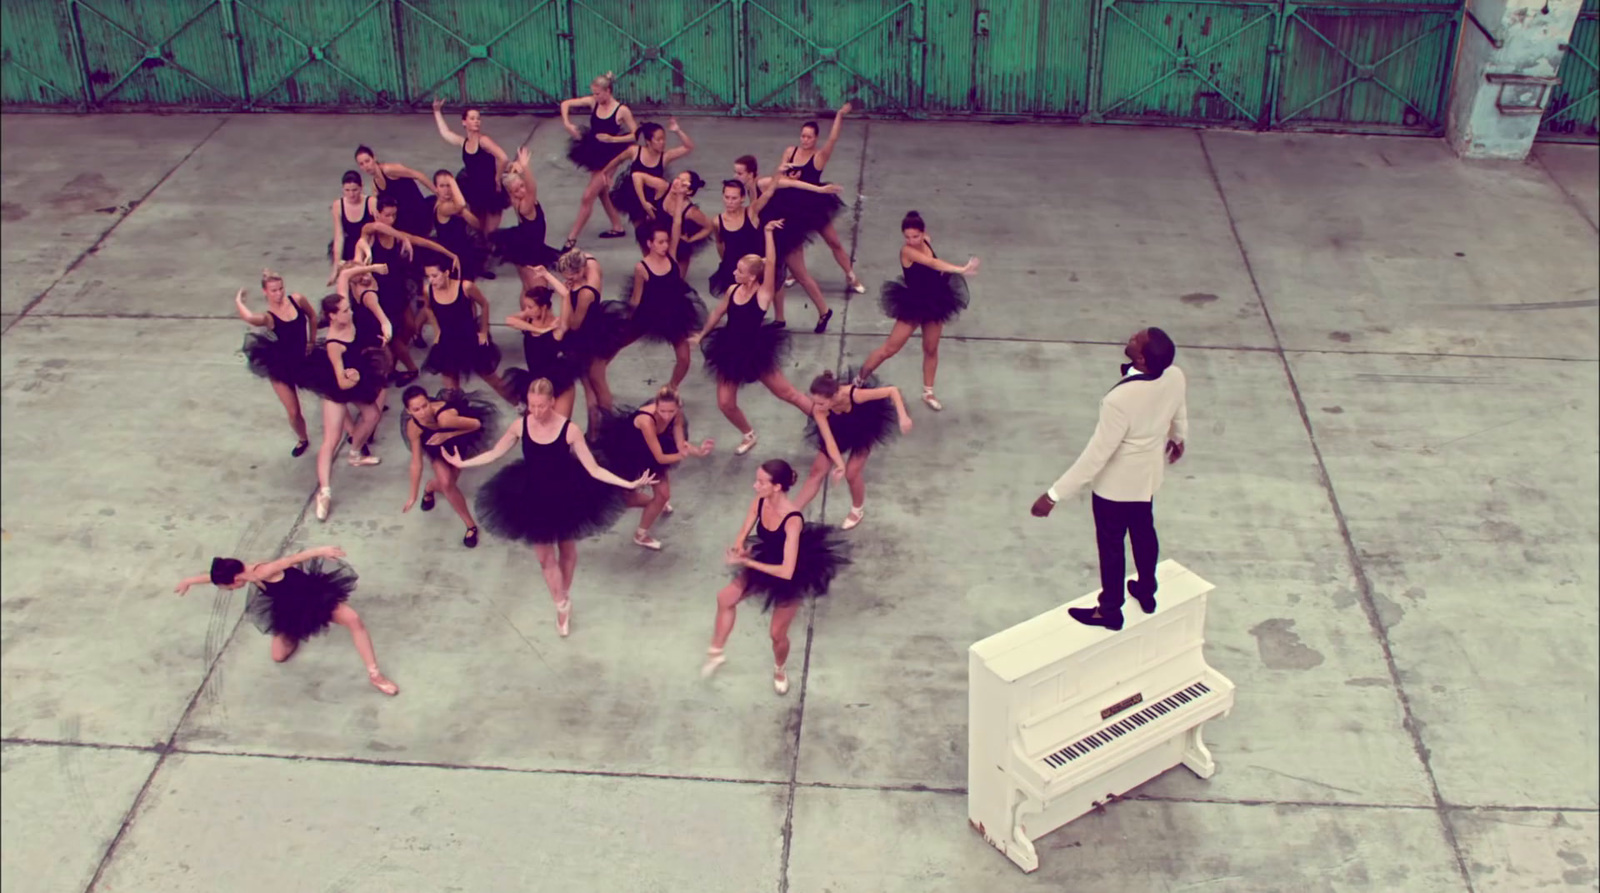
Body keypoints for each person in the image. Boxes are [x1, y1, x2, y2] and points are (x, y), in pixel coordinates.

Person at [443, 377, 655, 637]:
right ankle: (561, 603)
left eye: (541, 406)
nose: (536, 411)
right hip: (531, 494)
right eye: (532, 406)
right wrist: (463, 464)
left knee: (567, 550)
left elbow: (594, 468)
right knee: (545, 557)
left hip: (566, 493)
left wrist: (629, 482)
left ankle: (562, 594)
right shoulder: (520, 426)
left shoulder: (570, 430)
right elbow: (495, 453)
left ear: (552, 402)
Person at [1030, 328, 1188, 631]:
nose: (1130, 337)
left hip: (1114, 490)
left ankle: (1110, 610)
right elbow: (1178, 410)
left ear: (1141, 358)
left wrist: (1053, 495)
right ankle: (1146, 588)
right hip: (1147, 479)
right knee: (1144, 532)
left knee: (1112, 546)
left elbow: (1096, 456)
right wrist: (1179, 439)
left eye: (1135, 340)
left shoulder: (1119, 399)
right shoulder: (1175, 376)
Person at [700, 459, 850, 695]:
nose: (754, 485)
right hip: (765, 558)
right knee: (725, 598)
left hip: (792, 571)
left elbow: (786, 571)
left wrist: (747, 562)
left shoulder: (792, 520)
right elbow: (743, 533)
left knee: (777, 634)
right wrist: (739, 548)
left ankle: (779, 668)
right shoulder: (760, 501)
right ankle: (716, 653)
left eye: (760, 482)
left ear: (777, 486)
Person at [174, 546, 398, 696]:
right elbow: (212, 578)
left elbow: (293, 559)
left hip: (314, 598)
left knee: (354, 620)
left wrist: (323, 550)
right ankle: (295, 634)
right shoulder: (244, 573)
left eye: (226, 587)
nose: (227, 590)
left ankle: (375, 675)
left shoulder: (264, 571)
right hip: (291, 609)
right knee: (279, 656)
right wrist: (189, 581)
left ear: (234, 580)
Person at [690, 218, 812, 455]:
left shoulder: (763, 294)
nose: (735, 272)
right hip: (730, 350)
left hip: (755, 350)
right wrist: (701, 334)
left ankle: (823, 419)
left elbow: (772, 263)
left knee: (786, 393)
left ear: (753, 276)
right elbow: (718, 312)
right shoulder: (733, 289)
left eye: (740, 271)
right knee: (725, 403)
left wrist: (767, 233)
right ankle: (749, 434)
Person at [853, 210, 980, 411]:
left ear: (923, 233)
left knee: (931, 349)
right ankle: (857, 381)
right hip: (914, 303)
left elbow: (934, 265)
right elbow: (932, 262)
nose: (911, 240)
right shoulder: (907, 252)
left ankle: (928, 392)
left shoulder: (926, 241)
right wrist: (961, 269)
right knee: (889, 349)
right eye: (907, 237)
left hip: (935, 301)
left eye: (915, 236)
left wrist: (943, 272)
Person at [591, 386, 714, 551]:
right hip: (626, 452)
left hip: (653, 449)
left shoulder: (677, 415)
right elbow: (661, 458)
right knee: (623, 498)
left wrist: (699, 451)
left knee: (663, 495)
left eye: (671, 411)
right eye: (663, 411)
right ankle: (654, 505)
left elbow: (680, 444)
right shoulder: (646, 421)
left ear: (678, 407)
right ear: (656, 405)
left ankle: (641, 535)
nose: (667, 415)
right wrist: (682, 455)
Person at [791, 369, 912, 531]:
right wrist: (839, 464)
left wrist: (903, 416)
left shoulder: (854, 395)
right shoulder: (819, 411)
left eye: (821, 403)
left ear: (833, 397)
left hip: (861, 428)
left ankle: (857, 509)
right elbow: (829, 441)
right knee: (816, 471)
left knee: (852, 473)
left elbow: (892, 391)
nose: (817, 407)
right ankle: (791, 513)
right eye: (815, 402)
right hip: (838, 430)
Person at [400, 385, 498, 548]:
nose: (423, 412)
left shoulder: (445, 418)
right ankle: (470, 526)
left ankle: (430, 487)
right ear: (409, 411)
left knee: (449, 480)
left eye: (425, 406)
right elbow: (416, 462)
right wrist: (412, 495)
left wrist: (448, 434)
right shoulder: (414, 426)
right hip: (436, 445)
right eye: (416, 409)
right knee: (446, 483)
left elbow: (476, 425)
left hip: (458, 437)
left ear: (429, 402)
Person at [235, 272, 316, 455]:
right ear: (265, 292)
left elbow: (312, 316)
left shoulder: (297, 300)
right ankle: (302, 439)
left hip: (304, 357)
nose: (278, 294)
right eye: (273, 291)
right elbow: (249, 318)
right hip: (282, 365)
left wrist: (311, 341)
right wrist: (239, 301)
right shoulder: (268, 317)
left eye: (281, 289)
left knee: (329, 392)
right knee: (294, 411)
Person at [560, 71, 638, 245]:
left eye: (598, 93)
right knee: (601, 191)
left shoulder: (621, 110)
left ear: (608, 91)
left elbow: (635, 134)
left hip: (610, 156)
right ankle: (617, 226)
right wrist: (567, 123)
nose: (595, 96)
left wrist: (613, 139)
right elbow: (565, 104)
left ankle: (572, 238)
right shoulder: (593, 102)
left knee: (588, 196)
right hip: (594, 151)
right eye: (593, 93)